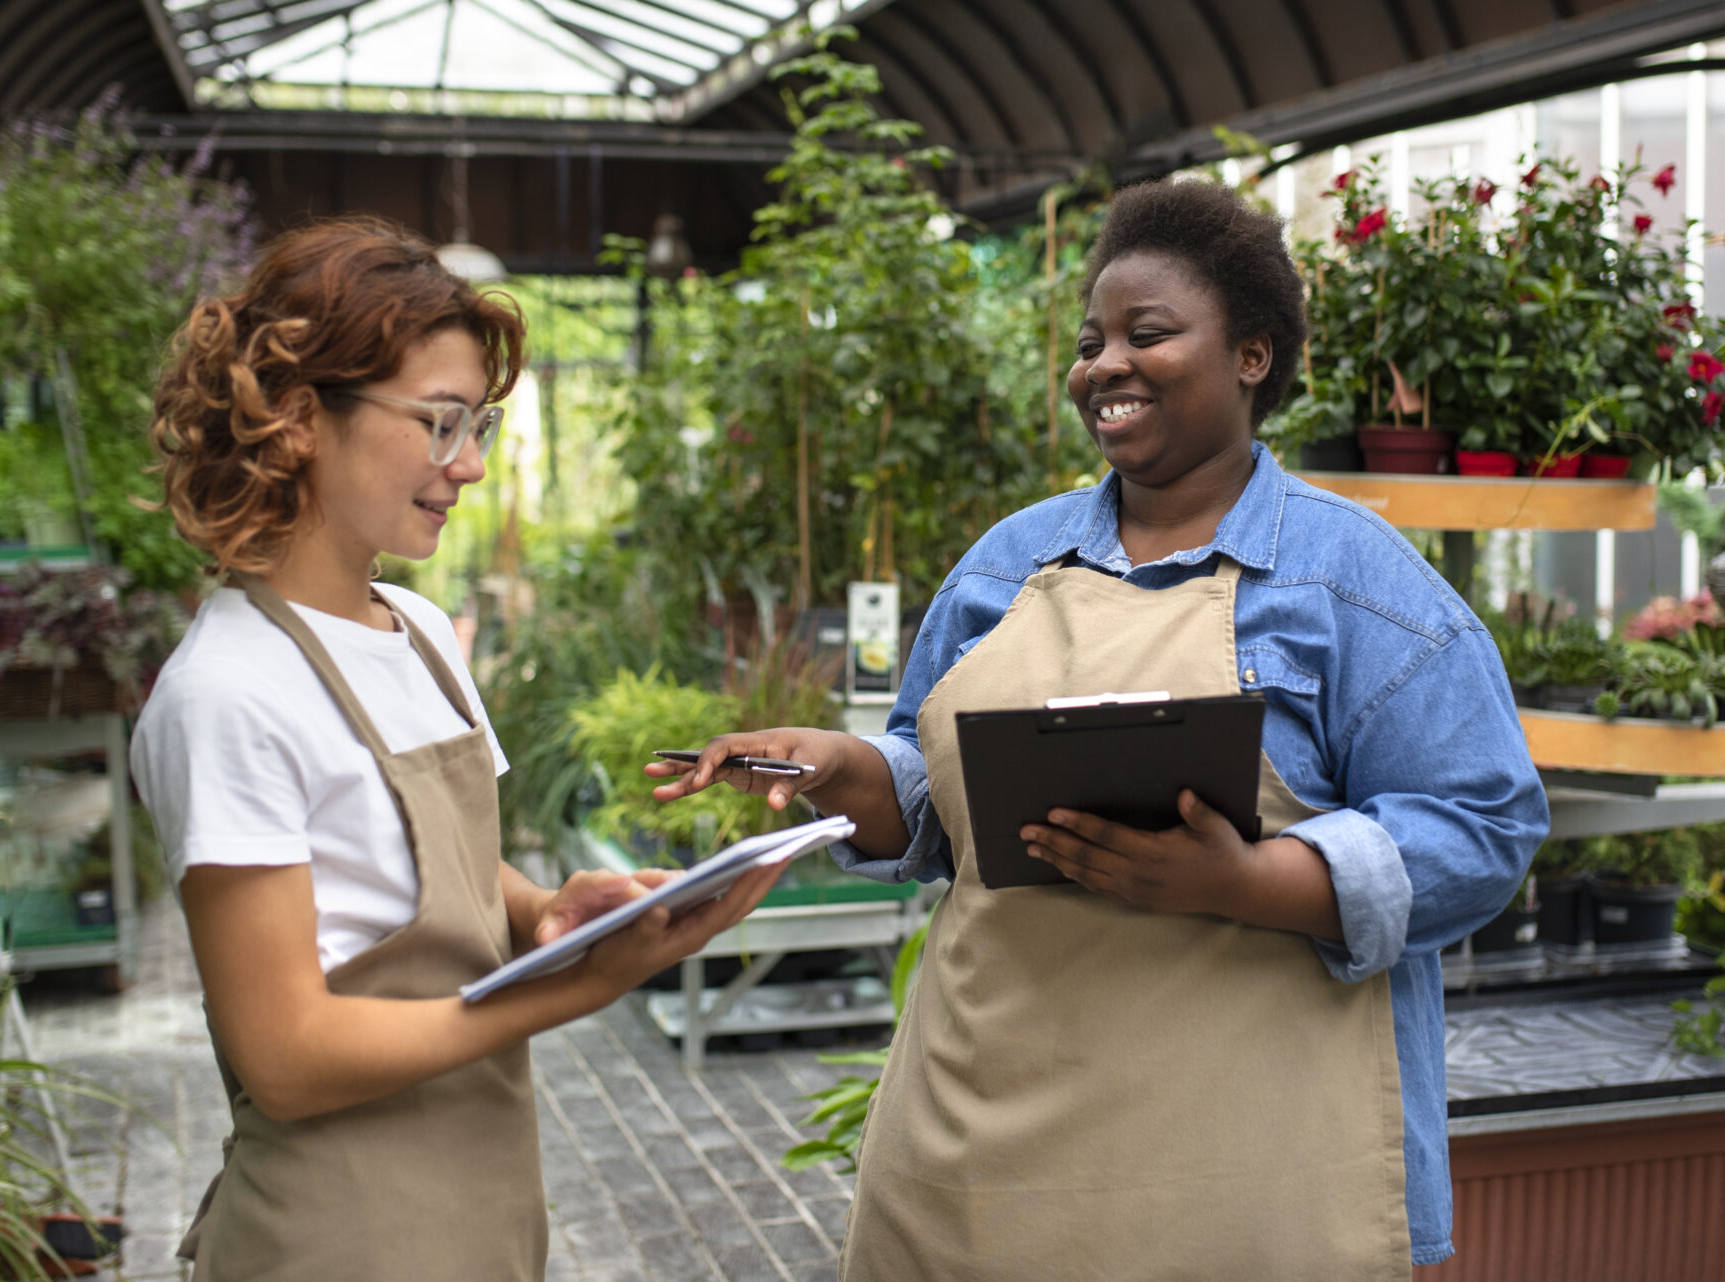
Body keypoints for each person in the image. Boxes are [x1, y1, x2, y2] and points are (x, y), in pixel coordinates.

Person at [650, 179, 1548, 1279]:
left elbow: (1487, 821)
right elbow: (936, 803)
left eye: (1148, 334)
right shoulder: (1006, 565)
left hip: (1247, 1193)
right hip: (980, 1171)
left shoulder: (1354, 583)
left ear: (1252, 356)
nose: (1104, 365)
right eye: (1091, 341)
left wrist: (1250, 883)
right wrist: (849, 771)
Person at [130, 216, 786, 1282]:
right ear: (298, 418)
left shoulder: (421, 635)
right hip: (338, 1238)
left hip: (482, 1209)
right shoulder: (228, 694)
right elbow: (286, 1058)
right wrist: (576, 985)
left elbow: (436, 869)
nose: (471, 464)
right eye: (440, 423)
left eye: (476, 424)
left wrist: (550, 915)